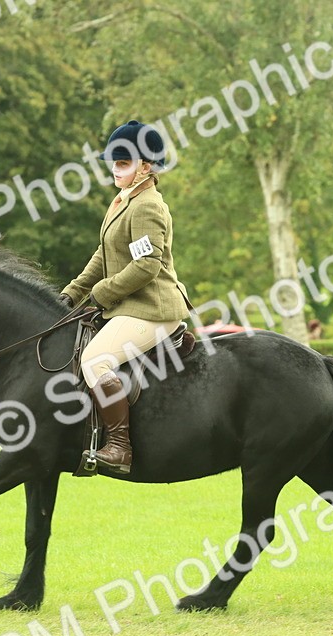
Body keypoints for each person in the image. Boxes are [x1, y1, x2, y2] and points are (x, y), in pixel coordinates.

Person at [58, 120, 192, 474]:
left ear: (145, 167)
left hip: (153, 309)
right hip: (131, 306)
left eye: (123, 163)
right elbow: (103, 255)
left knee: (94, 361)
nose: (115, 169)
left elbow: (147, 266)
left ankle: (120, 447)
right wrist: (73, 293)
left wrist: (101, 293)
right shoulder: (123, 200)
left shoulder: (147, 205)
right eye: (114, 163)